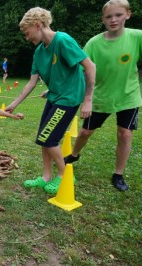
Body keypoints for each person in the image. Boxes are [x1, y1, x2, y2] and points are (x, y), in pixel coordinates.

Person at [6, 7, 96, 194]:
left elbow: (90, 67)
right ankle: (46, 176)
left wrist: (88, 100)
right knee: (43, 138)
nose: (26, 37)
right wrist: (14, 104)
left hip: (69, 98)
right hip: (55, 96)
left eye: (27, 33)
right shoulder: (39, 52)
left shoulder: (62, 40)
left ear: (37, 25)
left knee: (49, 138)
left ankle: (64, 176)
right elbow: (31, 83)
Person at [64, 0, 142, 191]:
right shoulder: (94, 43)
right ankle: (74, 154)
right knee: (85, 132)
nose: (113, 20)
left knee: (124, 134)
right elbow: (81, 70)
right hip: (100, 97)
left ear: (128, 14)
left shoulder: (137, 37)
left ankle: (118, 174)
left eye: (118, 15)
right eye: (108, 16)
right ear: (103, 19)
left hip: (128, 97)